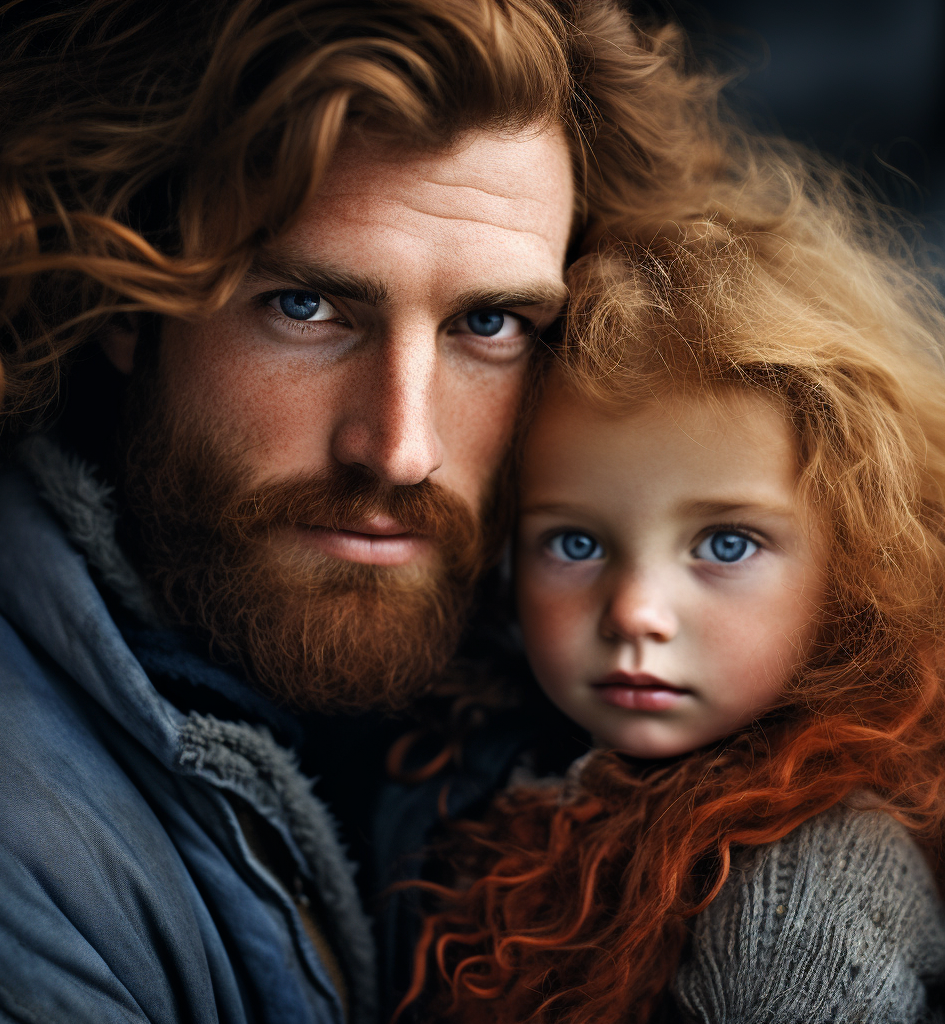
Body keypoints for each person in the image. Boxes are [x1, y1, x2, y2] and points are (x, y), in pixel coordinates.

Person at [0, 0, 752, 1021]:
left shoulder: (572, 649)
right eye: (306, 307)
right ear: (123, 299)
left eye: (488, 323)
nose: (402, 448)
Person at [403, 205, 945, 1022]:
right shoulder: (472, 755)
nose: (634, 613)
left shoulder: (812, 887)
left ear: (857, 562)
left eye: (725, 546)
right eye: (576, 543)